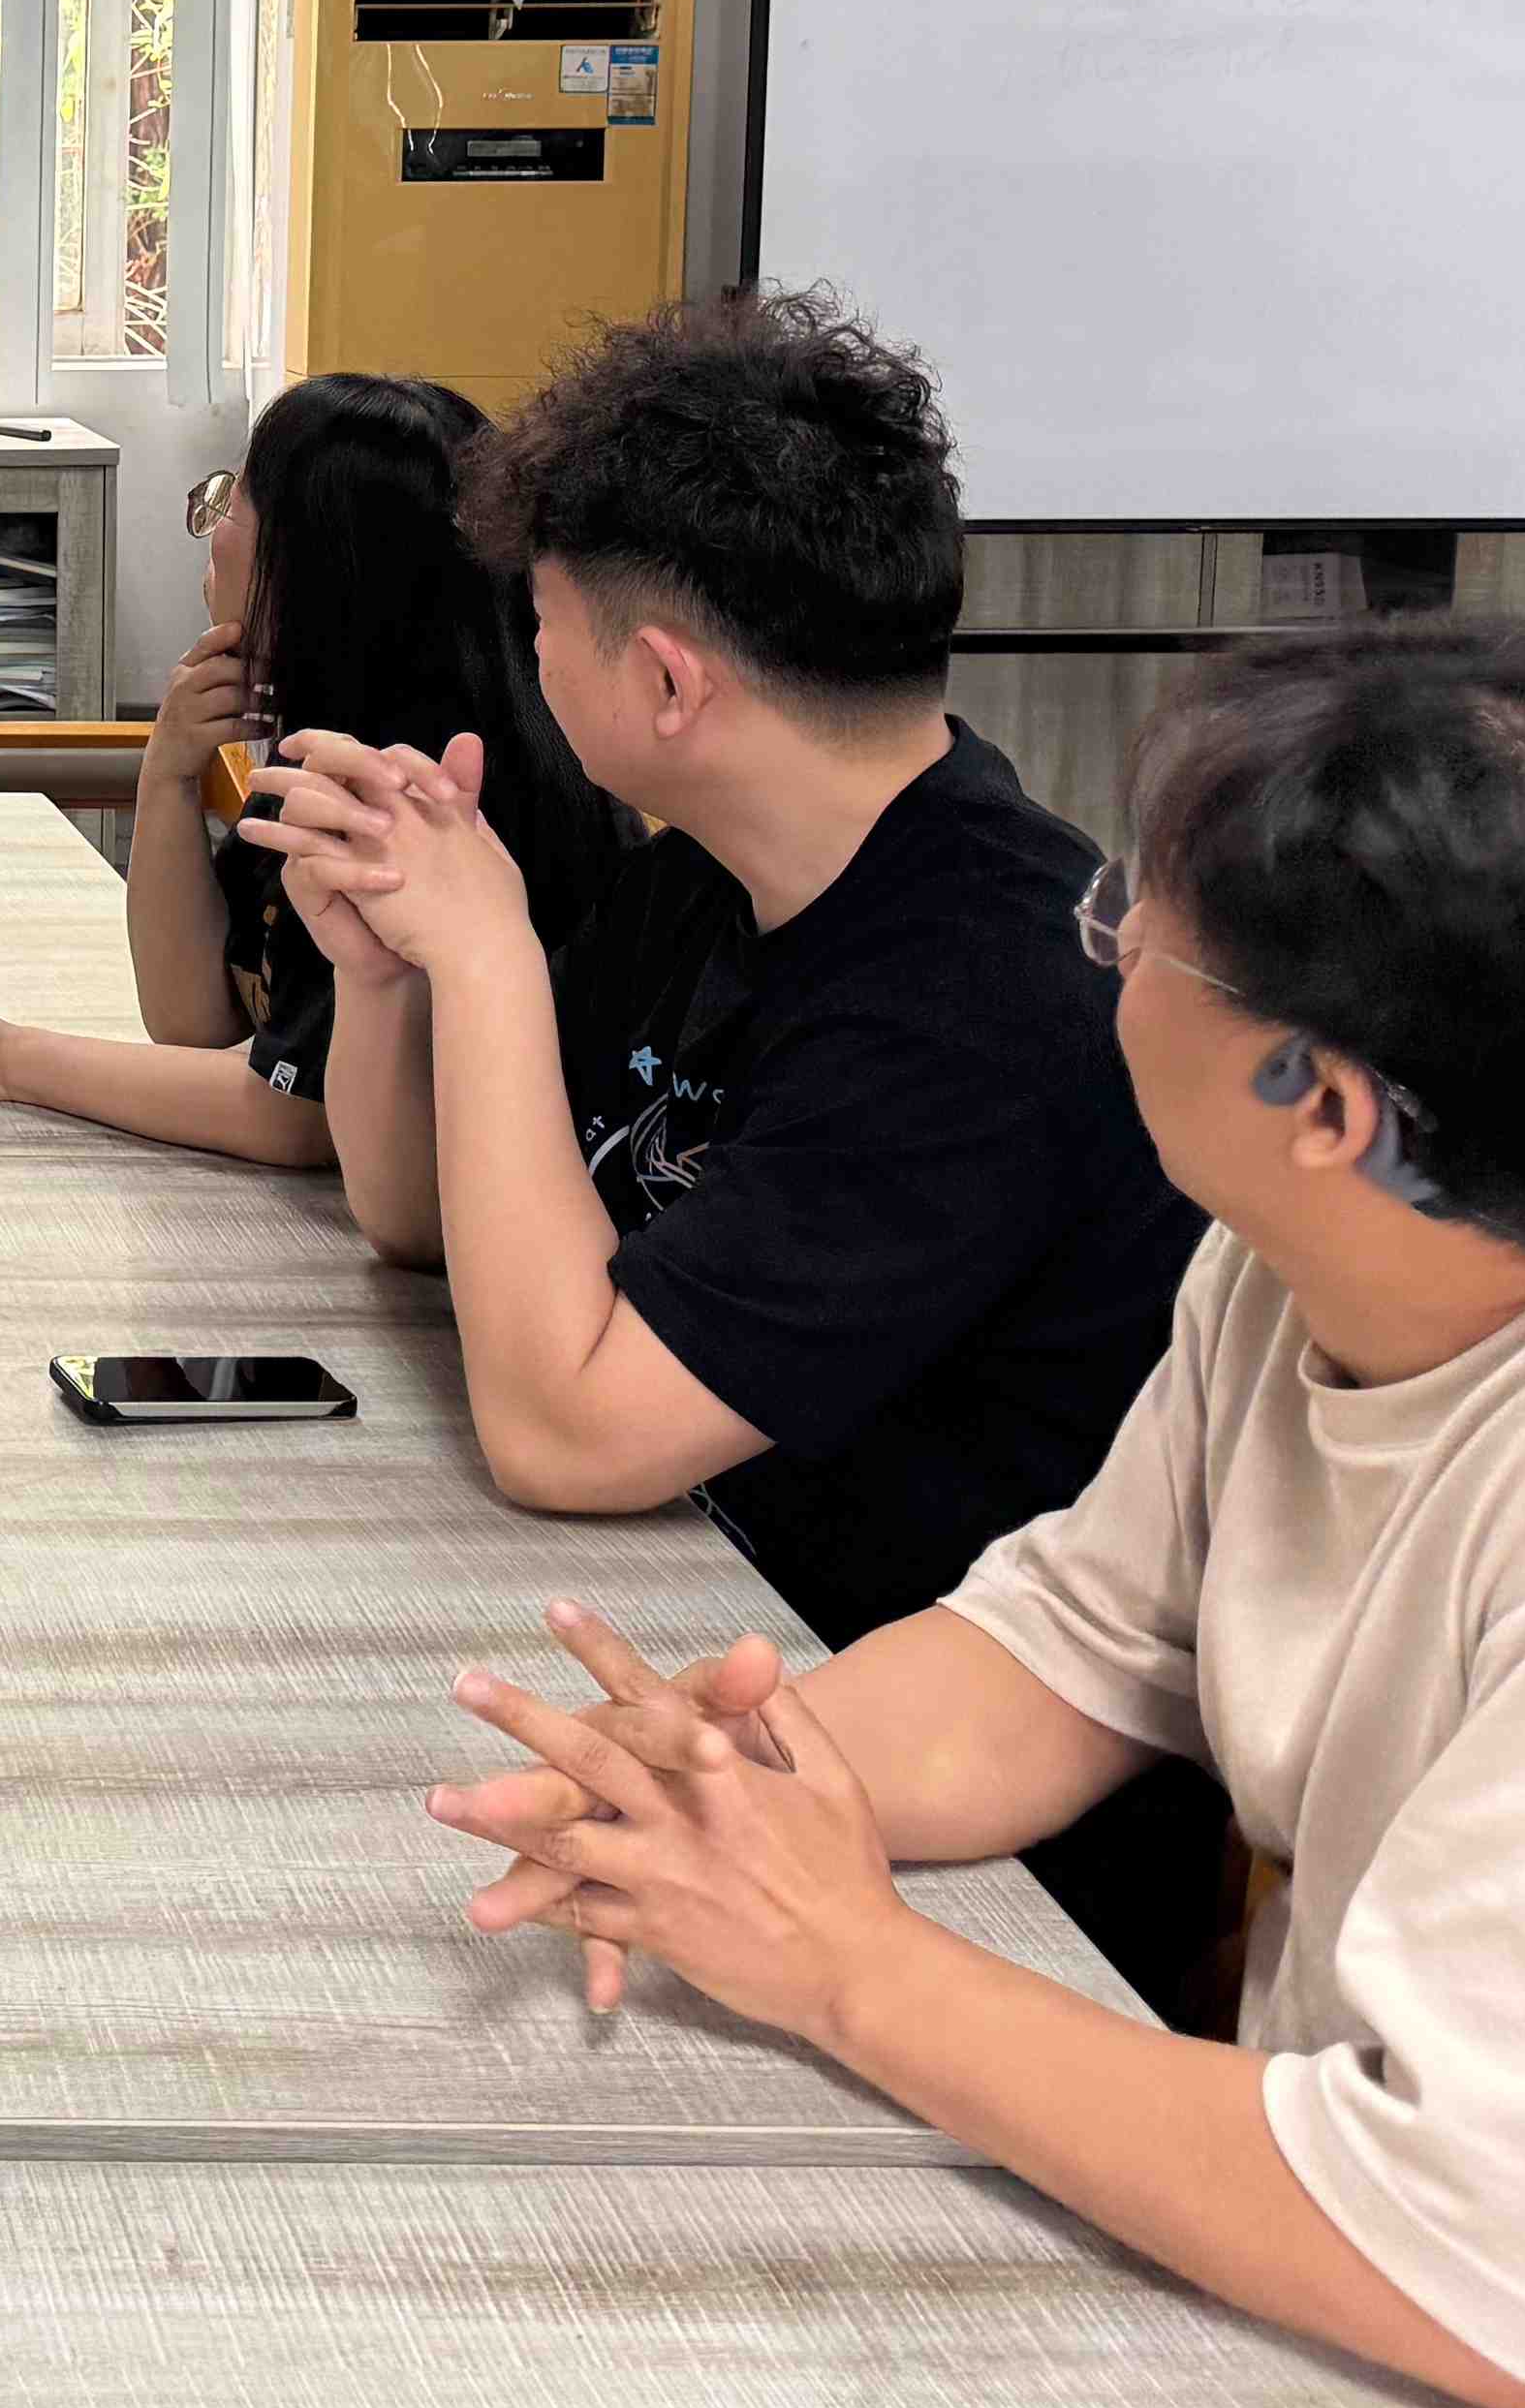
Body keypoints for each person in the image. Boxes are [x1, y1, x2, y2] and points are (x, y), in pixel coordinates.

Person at [416, 619, 1525, 2408]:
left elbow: (1471, 2265)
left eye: (1129, 923)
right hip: (1342, 2294)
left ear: (1319, 1104)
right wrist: (720, 1784)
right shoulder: (1321, 1271)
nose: (1094, 950)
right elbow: (1075, 1639)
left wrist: (847, 1962)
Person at [240, 289, 1218, 2005]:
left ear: (666, 679)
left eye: (544, 621)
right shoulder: (718, 869)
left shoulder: (984, 992)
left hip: (959, 1858)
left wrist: (489, 957)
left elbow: (566, 1434)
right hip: (707, 1660)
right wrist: (388, 975)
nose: (531, 659)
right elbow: (422, 1226)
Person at [0, 374, 624, 1163]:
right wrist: (169, 774)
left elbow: (293, 1118)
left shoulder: (410, 787)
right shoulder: (334, 736)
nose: (213, 529)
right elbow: (194, 1020)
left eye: (234, 499)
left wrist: (4, 1058)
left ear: (312, 565)